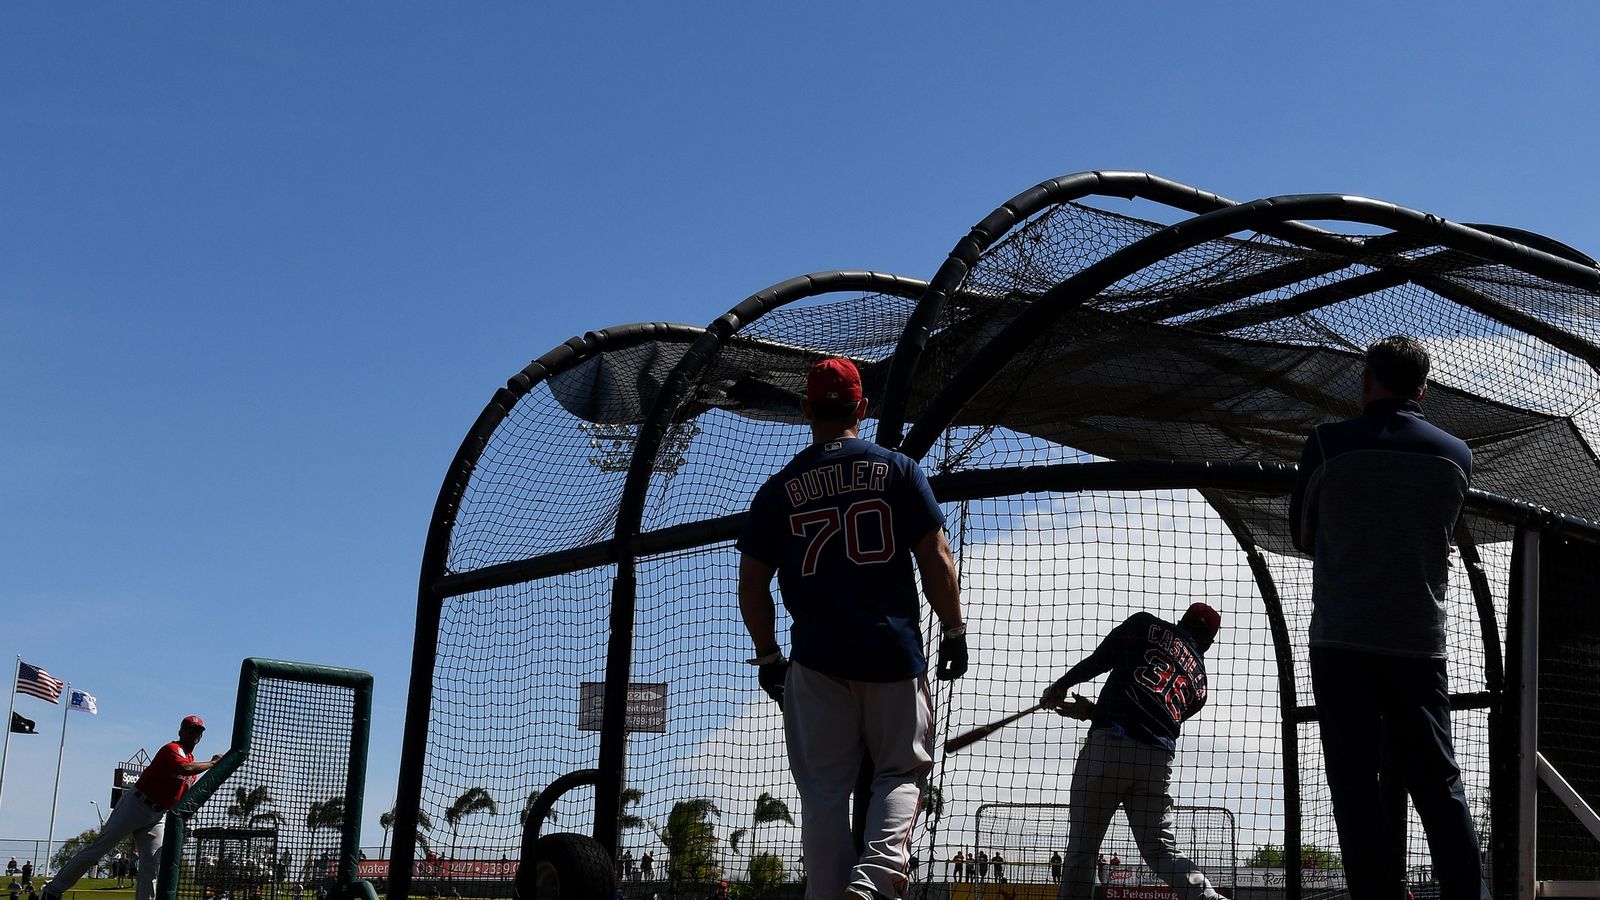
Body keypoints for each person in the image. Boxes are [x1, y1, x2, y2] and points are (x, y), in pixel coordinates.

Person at [737, 357, 968, 900]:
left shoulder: (777, 489)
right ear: (862, 407)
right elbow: (936, 557)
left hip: (816, 659)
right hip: (892, 653)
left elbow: (751, 587)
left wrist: (769, 659)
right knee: (899, 772)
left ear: (806, 410)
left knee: (822, 793)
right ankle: (870, 886)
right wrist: (953, 630)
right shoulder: (899, 468)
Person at [1289, 335, 1488, 900]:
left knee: (1355, 785)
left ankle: (1378, 893)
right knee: (1438, 780)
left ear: (1366, 382)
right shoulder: (1456, 455)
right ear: (1424, 389)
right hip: (1418, 643)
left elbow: (1303, 533)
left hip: (1343, 642)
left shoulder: (1327, 443)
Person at [1040, 604, 1226, 900]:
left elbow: (1102, 659)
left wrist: (1061, 686)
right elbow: (1152, 716)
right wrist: (1092, 711)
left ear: (1181, 620)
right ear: (1209, 642)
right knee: (1161, 850)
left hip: (1110, 748)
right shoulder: (1201, 684)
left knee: (1083, 847)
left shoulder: (1147, 625)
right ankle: (1208, 898)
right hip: (1156, 762)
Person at [42, 716, 221, 900]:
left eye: (199, 731)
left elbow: (184, 793)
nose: (195, 734)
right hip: (136, 804)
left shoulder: (193, 760)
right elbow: (185, 768)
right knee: (99, 849)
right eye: (191, 729)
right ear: (181, 732)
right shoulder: (172, 749)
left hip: (158, 815)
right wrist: (213, 763)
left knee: (151, 865)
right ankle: (52, 890)